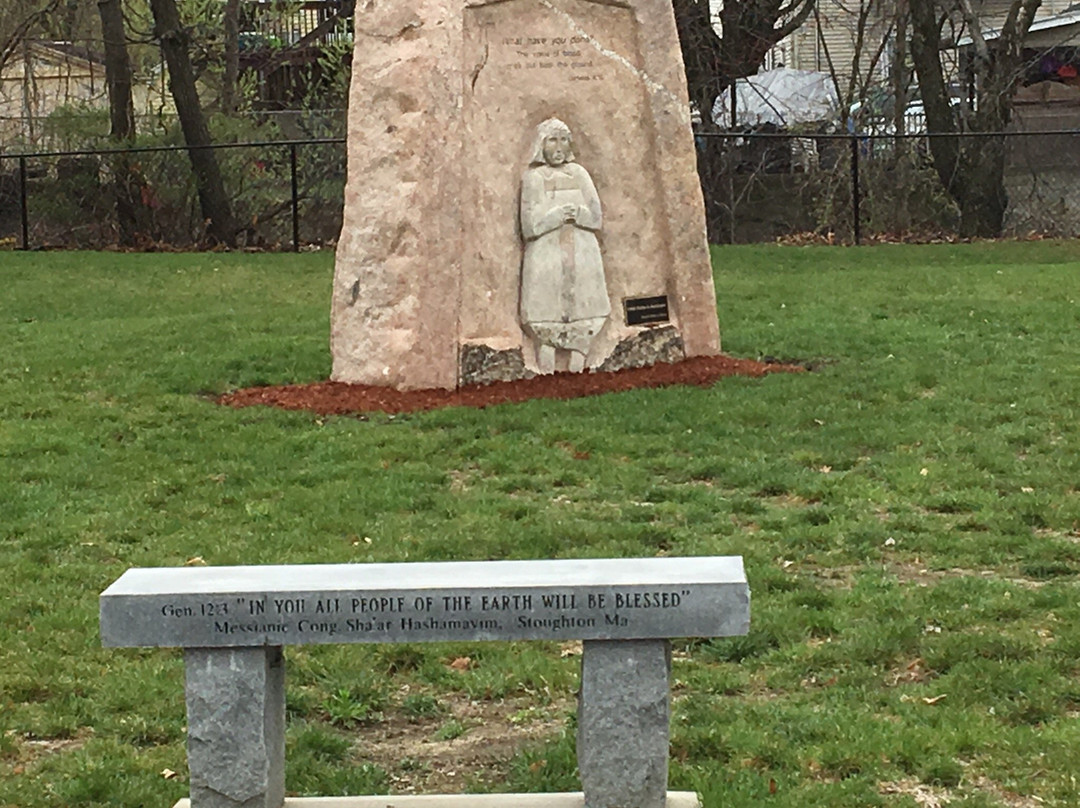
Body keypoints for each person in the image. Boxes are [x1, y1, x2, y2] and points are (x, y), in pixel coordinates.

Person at [519, 118, 610, 373]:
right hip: (546, 253)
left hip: (582, 251)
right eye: (552, 140)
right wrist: (555, 216)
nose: (558, 147)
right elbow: (529, 226)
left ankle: (579, 369)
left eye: (562, 140)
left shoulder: (579, 174)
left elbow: (596, 217)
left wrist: (578, 214)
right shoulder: (534, 178)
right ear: (541, 145)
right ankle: (546, 371)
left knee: (584, 309)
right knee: (546, 312)